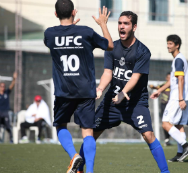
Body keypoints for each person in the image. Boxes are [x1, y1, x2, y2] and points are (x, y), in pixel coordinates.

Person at [78, 11, 170, 173]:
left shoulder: (142, 51)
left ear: (134, 27)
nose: (121, 26)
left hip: (135, 104)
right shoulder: (112, 47)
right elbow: (108, 73)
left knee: (148, 135)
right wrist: (100, 88)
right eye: (120, 23)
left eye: (126, 23)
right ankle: (78, 168)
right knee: (91, 133)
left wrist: (123, 92)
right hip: (112, 102)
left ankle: (165, 172)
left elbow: (135, 77)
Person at [44, 0, 114, 172]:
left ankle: (74, 156)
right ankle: (89, 170)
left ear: (55, 14)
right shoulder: (86, 32)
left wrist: (68, 32)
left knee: (60, 125)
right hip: (86, 90)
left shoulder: (50, 34)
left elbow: (59, 41)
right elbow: (110, 45)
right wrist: (103, 24)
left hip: (63, 91)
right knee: (88, 132)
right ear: (74, 12)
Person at [150, 35, 188, 162]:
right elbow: (174, 80)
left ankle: (186, 146)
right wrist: (159, 90)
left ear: (177, 45)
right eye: (167, 43)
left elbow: (181, 79)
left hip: (177, 98)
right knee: (179, 125)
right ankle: (180, 154)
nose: (168, 46)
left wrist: (180, 99)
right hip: (183, 96)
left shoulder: (178, 60)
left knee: (165, 123)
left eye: (170, 44)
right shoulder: (179, 59)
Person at [149, 72, 171, 146]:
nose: (169, 79)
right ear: (166, 78)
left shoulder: (175, 85)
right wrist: (153, 87)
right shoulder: (164, 84)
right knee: (165, 122)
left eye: (171, 77)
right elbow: (157, 87)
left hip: (172, 106)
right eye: (168, 77)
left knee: (173, 123)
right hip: (164, 105)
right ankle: (166, 139)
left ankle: (177, 139)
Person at [0, 72, 17, 143]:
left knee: (8, 127)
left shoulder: (6, 92)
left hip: (6, 112)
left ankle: (11, 139)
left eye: (4, 86)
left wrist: (14, 78)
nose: (3, 87)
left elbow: (12, 85)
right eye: (1, 86)